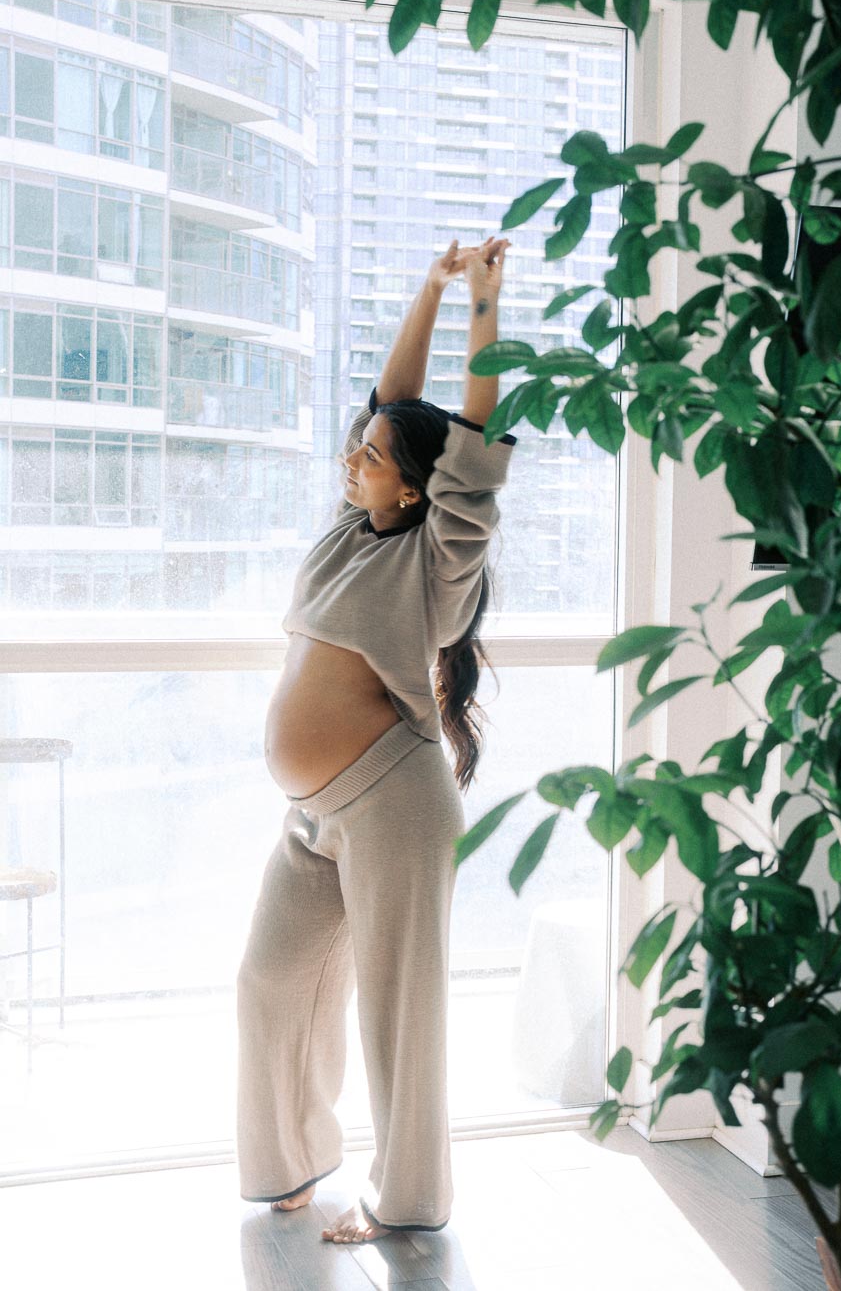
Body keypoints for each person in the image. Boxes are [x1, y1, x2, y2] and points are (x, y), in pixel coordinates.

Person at [236, 235, 516, 1244]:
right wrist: (428, 285)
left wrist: (485, 305)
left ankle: (407, 1206)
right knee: (271, 978)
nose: (353, 457)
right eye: (358, 451)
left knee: (399, 1019)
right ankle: (292, 1167)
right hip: (313, 813)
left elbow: (469, 438)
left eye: (371, 459)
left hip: (393, 803)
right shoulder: (352, 526)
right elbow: (395, 406)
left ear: (413, 490)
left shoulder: (439, 561)